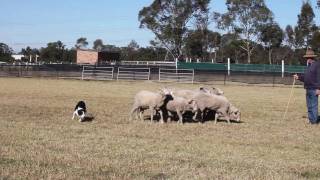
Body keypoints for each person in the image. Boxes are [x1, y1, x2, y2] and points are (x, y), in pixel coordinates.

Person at [293, 49, 320, 124]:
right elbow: (306, 77)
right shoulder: (308, 66)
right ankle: (311, 119)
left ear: (312, 58)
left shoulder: (317, 65)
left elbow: (319, 77)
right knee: (309, 106)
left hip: (314, 89)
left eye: (308, 58)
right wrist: (298, 77)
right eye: (307, 58)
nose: (307, 59)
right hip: (308, 88)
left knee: (314, 105)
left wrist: (318, 88)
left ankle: (314, 121)